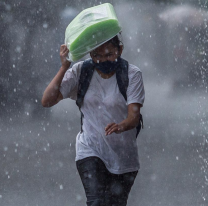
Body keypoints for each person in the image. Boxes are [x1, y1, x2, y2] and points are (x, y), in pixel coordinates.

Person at [41, 35, 145, 206]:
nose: (103, 60)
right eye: (97, 55)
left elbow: (133, 117)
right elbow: (47, 101)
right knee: (96, 201)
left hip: (123, 155)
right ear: (90, 54)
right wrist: (64, 67)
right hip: (90, 148)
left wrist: (121, 126)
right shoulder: (81, 71)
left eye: (109, 54)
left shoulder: (132, 74)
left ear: (120, 50)